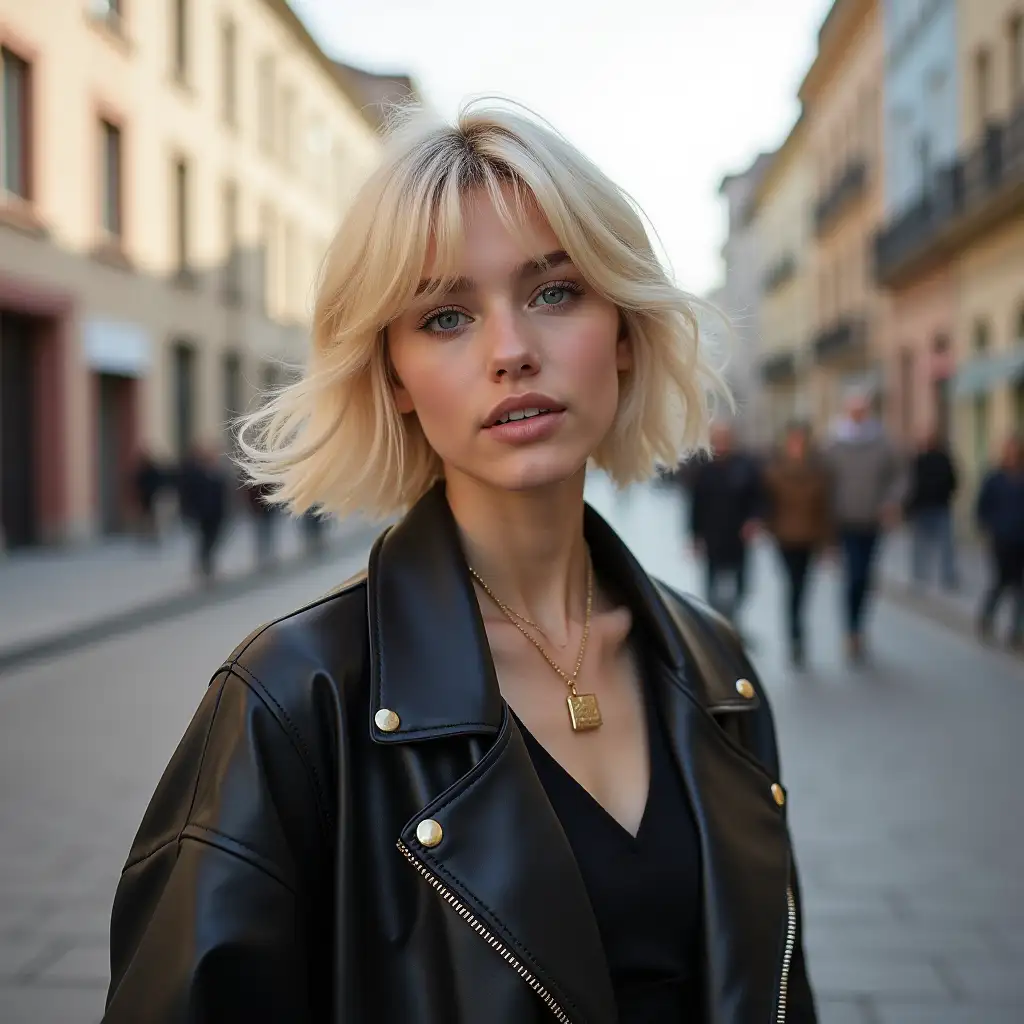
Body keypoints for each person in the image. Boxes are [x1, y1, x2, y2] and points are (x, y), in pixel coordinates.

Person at [102, 102, 817, 1024]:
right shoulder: (293, 698)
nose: (512, 351)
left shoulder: (719, 670)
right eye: (444, 316)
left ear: (627, 331)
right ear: (394, 375)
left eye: (555, 292)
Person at [825, 390, 903, 664]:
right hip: (844, 522)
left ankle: (859, 626)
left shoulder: (882, 441)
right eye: (854, 410)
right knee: (853, 576)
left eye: (862, 410)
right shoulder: (834, 443)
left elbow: (899, 476)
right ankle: (851, 630)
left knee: (866, 577)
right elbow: (823, 481)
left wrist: (891, 502)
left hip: (872, 521)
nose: (858, 415)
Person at [762, 422, 833, 668]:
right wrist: (768, 528)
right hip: (784, 538)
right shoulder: (775, 472)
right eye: (793, 442)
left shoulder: (817, 473)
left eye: (800, 443)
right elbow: (767, 504)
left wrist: (827, 542)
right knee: (792, 586)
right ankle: (794, 636)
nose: (796, 447)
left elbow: (824, 509)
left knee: (802, 587)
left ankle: (797, 632)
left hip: (809, 538)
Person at [687, 421, 763, 627]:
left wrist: (753, 520)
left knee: (741, 580)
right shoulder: (704, 469)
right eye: (717, 440)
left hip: (738, 535)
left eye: (724, 439)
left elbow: (757, 498)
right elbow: (695, 504)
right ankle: (715, 620)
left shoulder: (745, 466)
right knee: (712, 580)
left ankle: (733, 617)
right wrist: (694, 536)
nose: (721, 444)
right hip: (713, 534)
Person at [975, 435, 1024, 649]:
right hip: (1002, 539)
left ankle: (1017, 630)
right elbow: (982, 506)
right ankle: (987, 617)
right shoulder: (994, 478)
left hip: (1021, 539)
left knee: (1021, 587)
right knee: (1001, 582)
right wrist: (989, 527)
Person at [904, 429, 958, 589]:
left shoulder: (943, 459)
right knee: (921, 546)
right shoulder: (917, 461)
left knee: (944, 545)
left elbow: (953, 481)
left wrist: (945, 495)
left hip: (939, 506)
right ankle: (919, 577)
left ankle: (946, 576)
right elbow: (909, 485)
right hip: (922, 508)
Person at [177, 443, 229, 584]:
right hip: (203, 514)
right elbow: (189, 494)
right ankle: (206, 569)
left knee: (213, 541)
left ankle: (206, 567)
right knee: (205, 541)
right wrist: (190, 511)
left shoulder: (218, 474)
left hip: (217, 514)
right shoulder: (196, 474)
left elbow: (224, 496)